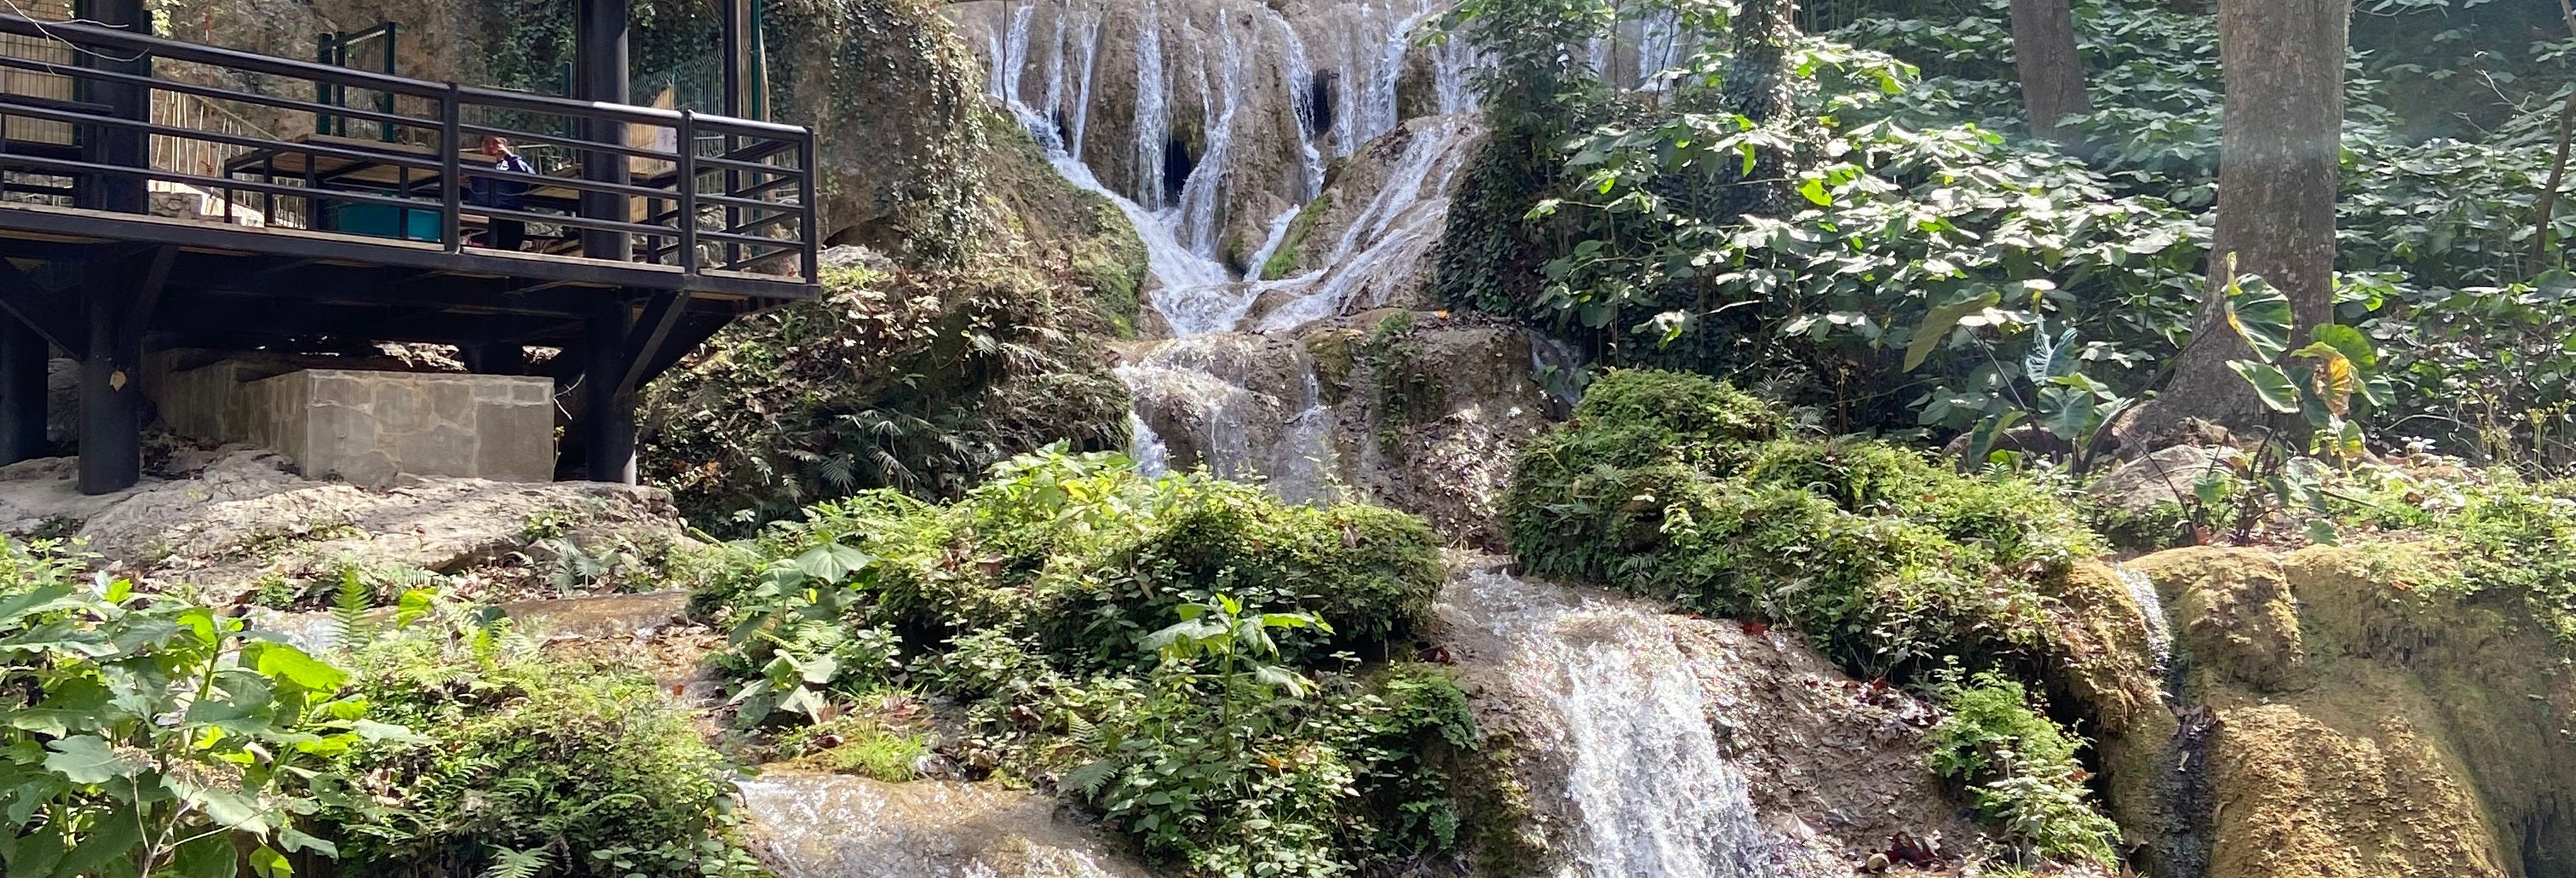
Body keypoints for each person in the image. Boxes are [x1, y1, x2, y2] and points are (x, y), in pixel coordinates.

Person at [467, 135, 534, 250]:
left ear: (505, 146)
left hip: (508, 217)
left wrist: (509, 156)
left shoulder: (512, 165)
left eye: (496, 143)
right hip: (480, 217)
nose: (491, 147)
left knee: (509, 247)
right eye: (486, 143)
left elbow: (531, 176)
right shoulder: (473, 166)